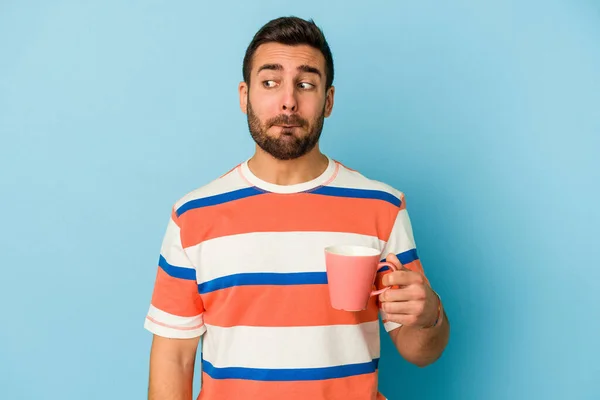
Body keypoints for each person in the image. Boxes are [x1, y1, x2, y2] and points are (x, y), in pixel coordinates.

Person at [144, 16, 450, 400]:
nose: (288, 100)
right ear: (244, 96)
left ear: (329, 101)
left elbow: (420, 351)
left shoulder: (382, 206)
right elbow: (174, 357)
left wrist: (430, 314)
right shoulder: (193, 216)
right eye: (270, 82)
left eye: (305, 84)